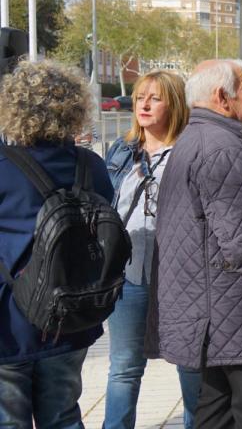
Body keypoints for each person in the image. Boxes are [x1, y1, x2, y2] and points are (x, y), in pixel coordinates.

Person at [152, 59, 242, 428]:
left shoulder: (194, 139)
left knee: (215, 416)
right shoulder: (222, 148)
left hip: (218, 322)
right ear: (222, 97)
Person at [0, 60, 113, 428]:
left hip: (8, 323)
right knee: (63, 417)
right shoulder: (90, 166)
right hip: (70, 317)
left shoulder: (3, 166)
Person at [103, 70, 201, 429]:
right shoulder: (122, 150)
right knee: (124, 367)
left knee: (190, 365)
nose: (143, 105)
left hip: (180, 275)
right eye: (140, 97)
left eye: (155, 98)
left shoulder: (190, 151)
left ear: (173, 104)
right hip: (129, 273)